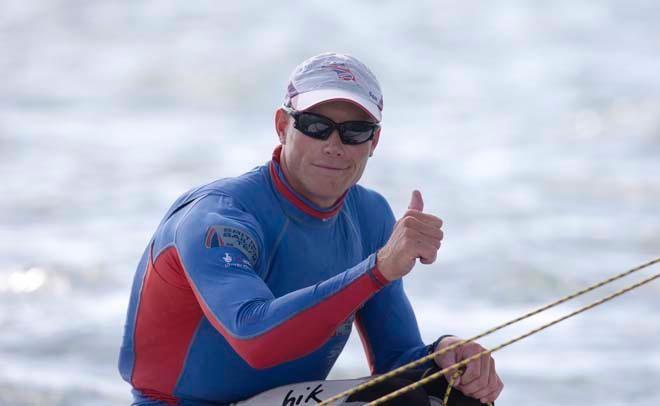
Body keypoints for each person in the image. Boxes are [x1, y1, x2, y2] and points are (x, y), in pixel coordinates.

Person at [118, 52, 503, 405]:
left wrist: (446, 353)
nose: (334, 145)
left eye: (354, 131)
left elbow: (396, 361)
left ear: (374, 142)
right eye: (316, 126)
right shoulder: (219, 217)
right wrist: (378, 268)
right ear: (282, 126)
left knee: (448, 391)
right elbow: (254, 338)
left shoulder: (369, 214)